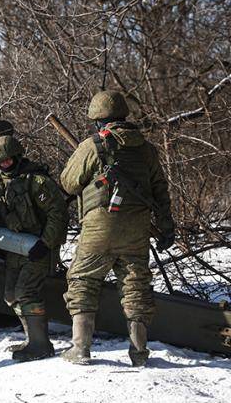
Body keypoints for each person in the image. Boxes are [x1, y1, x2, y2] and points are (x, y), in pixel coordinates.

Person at [60, 90, 175, 366]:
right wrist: (166, 227)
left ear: (98, 120)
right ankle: (139, 354)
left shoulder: (93, 145)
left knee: (83, 280)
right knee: (135, 285)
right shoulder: (146, 149)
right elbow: (160, 190)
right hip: (137, 228)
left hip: (100, 226)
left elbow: (69, 182)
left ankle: (80, 349)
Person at [0, 135, 68, 361]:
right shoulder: (2, 184)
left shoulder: (37, 182)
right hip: (17, 247)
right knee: (11, 295)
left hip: (39, 247)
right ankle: (31, 338)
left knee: (26, 293)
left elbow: (58, 214)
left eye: (8, 160)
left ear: (17, 157)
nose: (5, 165)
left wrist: (45, 243)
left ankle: (40, 345)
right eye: (0, 162)